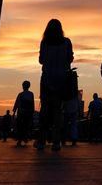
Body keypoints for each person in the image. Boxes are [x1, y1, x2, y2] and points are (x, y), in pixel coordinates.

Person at [35, 19, 74, 151]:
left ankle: (41, 141)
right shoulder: (67, 42)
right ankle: (56, 142)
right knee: (58, 112)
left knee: (45, 111)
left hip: (46, 80)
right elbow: (70, 58)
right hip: (62, 81)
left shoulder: (44, 43)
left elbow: (41, 60)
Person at [12, 81, 34, 146]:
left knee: (19, 126)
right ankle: (25, 137)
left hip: (21, 112)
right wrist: (32, 111)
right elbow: (32, 103)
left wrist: (14, 112)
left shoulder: (20, 94)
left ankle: (19, 139)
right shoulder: (31, 94)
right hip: (28, 112)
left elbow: (17, 103)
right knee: (26, 126)